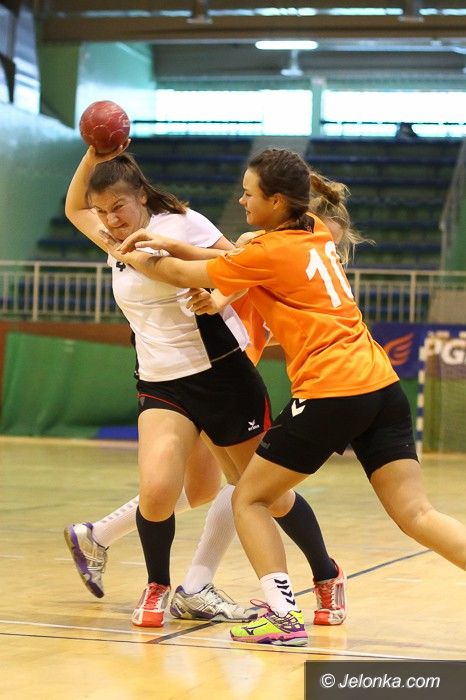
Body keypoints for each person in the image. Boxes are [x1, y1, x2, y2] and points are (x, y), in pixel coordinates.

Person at [117, 146, 466, 646]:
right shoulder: (314, 231)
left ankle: (283, 617)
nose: (241, 201)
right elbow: (229, 259)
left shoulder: (268, 251)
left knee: (249, 497)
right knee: (418, 515)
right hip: (380, 386)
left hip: (331, 389)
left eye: (249, 194)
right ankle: (307, 592)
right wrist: (170, 243)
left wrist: (128, 253)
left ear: (277, 201)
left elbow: (181, 275)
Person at [64, 146, 347, 629]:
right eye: (103, 212)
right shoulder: (114, 238)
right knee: (158, 489)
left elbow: (243, 262)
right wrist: (94, 153)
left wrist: (215, 296)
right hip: (161, 383)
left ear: (142, 197)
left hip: (221, 376)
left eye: (118, 208)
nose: (110, 220)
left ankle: (326, 573)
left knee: (264, 494)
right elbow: (75, 208)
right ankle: (158, 586)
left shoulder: (181, 224)